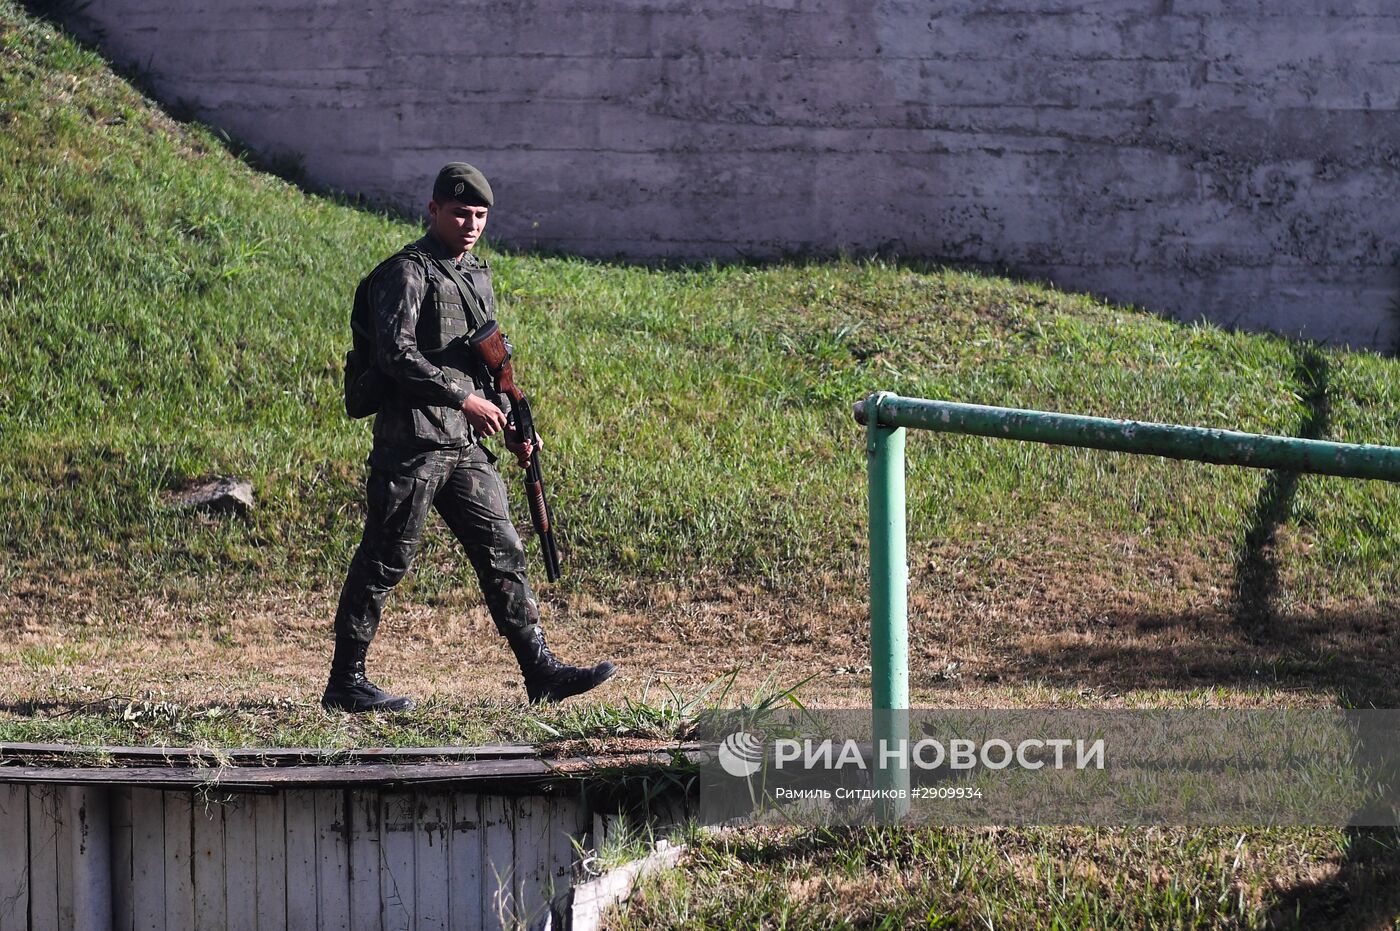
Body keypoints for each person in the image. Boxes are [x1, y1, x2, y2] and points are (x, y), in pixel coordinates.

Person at [322, 162, 617, 713]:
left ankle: (540, 671)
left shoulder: (475, 276)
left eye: (480, 215)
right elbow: (394, 355)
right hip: (411, 443)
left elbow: (489, 362)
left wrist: (512, 422)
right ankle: (347, 680)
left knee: (502, 548)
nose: (471, 224)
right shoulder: (407, 274)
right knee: (385, 557)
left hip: (465, 446)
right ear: (433, 210)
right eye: (460, 213)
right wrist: (463, 400)